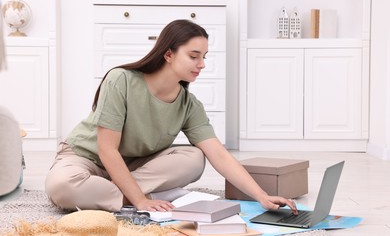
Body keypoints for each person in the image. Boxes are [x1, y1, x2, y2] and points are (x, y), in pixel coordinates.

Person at [45, 19, 297, 215]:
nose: (202, 64)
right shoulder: (120, 80)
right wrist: (141, 200)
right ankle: (144, 195)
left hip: (135, 165)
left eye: (204, 57)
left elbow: (218, 154)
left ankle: (109, 192)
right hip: (85, 157)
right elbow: (106, 149)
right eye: (193, 56)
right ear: (168, 54)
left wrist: (261, 196)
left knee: (194, 157)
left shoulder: (189, 104)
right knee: (62, 186)